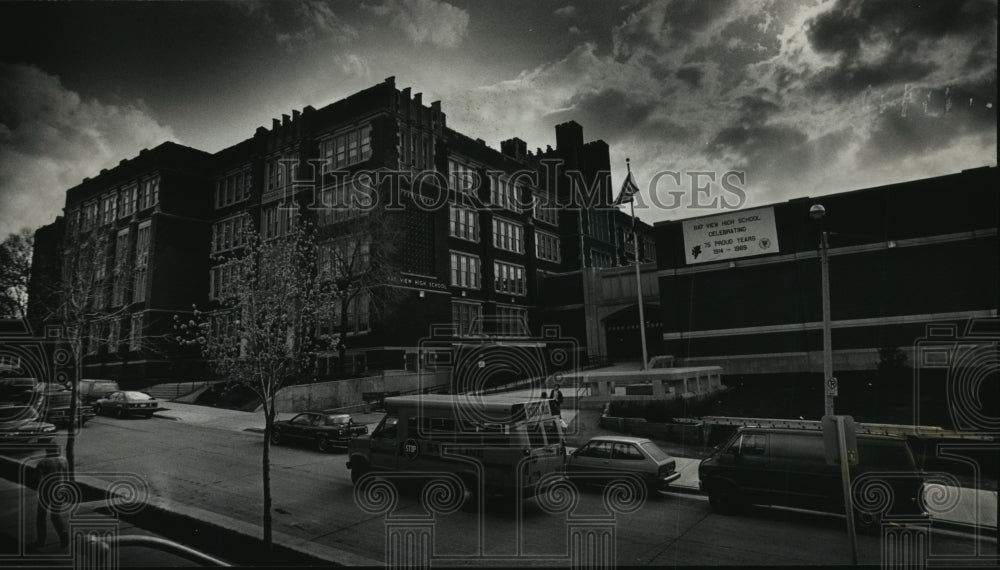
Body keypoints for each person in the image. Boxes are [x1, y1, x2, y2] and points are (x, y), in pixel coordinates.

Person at [33, 444, 69, 549]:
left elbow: (39, 480)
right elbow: (66, 477)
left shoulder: (43, 463)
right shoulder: (64, 460)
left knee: (41, 516)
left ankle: (41, 540)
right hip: (59, 490)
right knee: (55, 515)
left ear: (47, 451)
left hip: (46, 491)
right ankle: (63, 534)